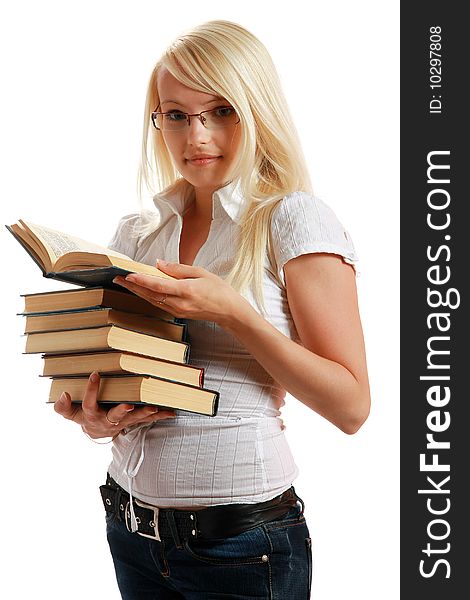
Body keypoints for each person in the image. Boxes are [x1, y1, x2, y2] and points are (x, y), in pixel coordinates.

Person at [54, 19, 370, 600]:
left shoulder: (291, 219)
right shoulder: (137, 234)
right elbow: (111, 372)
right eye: (175, 114)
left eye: (220, 110)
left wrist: (235, 313)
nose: (196, 135)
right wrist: (93, 417)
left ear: (255, 111)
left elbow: (351, 407)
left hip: (243, 548)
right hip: (131, 530)